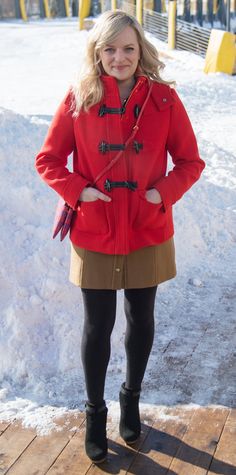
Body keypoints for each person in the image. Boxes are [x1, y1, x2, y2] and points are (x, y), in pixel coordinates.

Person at [35, 10, 205, 464]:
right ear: (97, 52)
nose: (119, 57)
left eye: (128, 48)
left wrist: (160, 193)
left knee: (141, 320)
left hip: (148, 228)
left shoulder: (165, 100)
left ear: (141, 50)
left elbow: (191, 162)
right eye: (109, 48)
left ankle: (131, 398)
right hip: (95, 229)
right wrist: (79, 190)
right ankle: (94, 412)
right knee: (97, 326)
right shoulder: (79, 98)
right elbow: (48, 159)